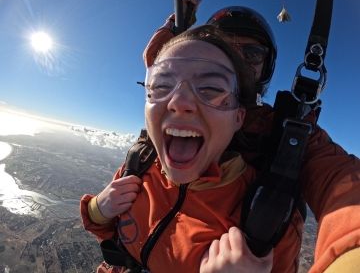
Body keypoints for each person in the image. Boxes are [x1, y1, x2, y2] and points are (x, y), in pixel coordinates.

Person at [141, 0, 360, 273]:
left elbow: (341, 181)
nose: (238, 59)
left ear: (266, 67)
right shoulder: (173, 103)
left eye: (252, 54)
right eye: (225, 46)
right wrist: (179, 21)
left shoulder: (286, 131)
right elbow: (163, 65)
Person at [81, 25, 274, 273]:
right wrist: (98, 210)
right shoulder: (140, 164)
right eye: (161, 86)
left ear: (238, 117)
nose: (179, 103)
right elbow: (114, 236)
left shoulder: (263, 213)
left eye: (212, 89)